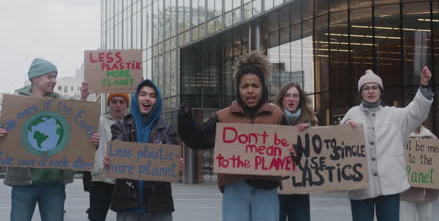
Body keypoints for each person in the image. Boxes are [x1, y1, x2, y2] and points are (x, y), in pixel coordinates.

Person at [178, 51, 284, 221]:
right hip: (235, 189)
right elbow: (198, 139)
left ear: (263, 88)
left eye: (255, 86)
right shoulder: (223, 117)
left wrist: (297, 150)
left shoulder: (277, 116)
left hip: (267, 190)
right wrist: (185, 119)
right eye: (244, 86)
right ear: (238, 89)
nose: (250, 91)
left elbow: (295, 148)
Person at [0, 58, 99, 221]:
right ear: (35, 78)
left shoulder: (62, 102)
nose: (54, 81)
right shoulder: (15, 102)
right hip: (23, 182)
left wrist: (89, 138)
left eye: (55, 77)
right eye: (50, 77)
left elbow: (76, 123)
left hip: (54, 182)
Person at [341, 67, 433, 221]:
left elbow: (416, 112)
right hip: (360, 186)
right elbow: (335, 142)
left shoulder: (393, 115)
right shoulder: (352, 113)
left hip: (390, 185)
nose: (371, 91)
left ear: (380, 91)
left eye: (374, 87)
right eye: (366, 88)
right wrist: (345, 129)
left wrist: (423, 85)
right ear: (361, 92)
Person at [109, 79, 177, 221]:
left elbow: (171, 159)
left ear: (157, 102)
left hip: (158, 205)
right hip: (127, 203)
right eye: (143, 94)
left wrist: (176, 164)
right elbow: (118, 146)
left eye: (152, 96)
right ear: (136, 98)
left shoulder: (166, 130)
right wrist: (112, 159)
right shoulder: (121, 126)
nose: (147, 98)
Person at [274, 82, 318, 221]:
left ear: (300, 99)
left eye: (295, 95)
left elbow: (318, 152)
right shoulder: (272, 119)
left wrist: (309, 131)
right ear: (282, 99)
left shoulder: (311, 120)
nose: (291, 99)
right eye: (287, 95)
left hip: (300, 187)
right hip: (276, 187)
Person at [399, 125, 439, 221]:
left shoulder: (431, 137)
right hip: (406, 192)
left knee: (426, 218)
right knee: (407, 218)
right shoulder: (400, 136)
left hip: (426, 193)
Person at [89, 93, 129, 221]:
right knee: (97, 216)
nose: (118, 105)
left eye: (122, 102)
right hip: (102, 179)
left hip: (124, 180)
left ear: (127, 105)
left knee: (127, 217)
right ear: (108, 104)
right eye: (114, 101)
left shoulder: (132, 125)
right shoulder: (98, 122)